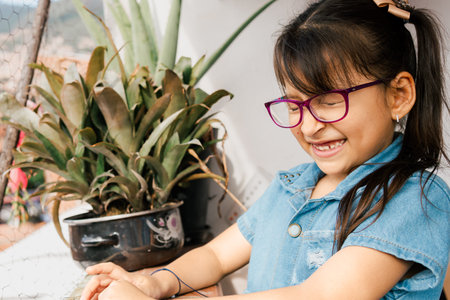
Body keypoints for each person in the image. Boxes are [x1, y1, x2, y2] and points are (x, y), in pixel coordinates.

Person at [80, 0, 450, 299]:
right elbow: (214, 255)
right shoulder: (290, 189)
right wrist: (153, 282)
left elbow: (320, 295)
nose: (308, 125)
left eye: (329, 100)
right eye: (294, 105)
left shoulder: (414, 199)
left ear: (398, 95)